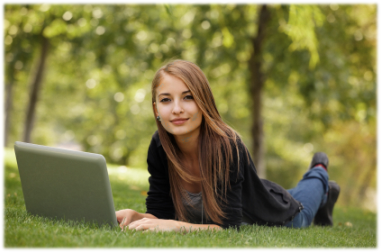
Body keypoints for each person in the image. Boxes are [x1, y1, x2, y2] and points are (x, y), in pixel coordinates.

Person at [116, 60, 340, 232]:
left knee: (304, 208)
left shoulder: (226, 145)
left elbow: (227, 227)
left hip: (275, 214)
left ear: (203, 102)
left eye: (187, 97)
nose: (176, 109)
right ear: (156, 110)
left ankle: (319, 173)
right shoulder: (159, 145)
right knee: (269, 192)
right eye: (166, 100)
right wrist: (135, 215)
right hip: (252, 192)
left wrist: (174, 226)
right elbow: (160, 214)